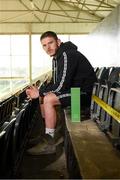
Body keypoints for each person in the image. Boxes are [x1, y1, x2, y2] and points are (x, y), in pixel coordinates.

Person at [26, 31, 97, 155]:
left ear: (58, 42)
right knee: (44, 97)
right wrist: (40, 92)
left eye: (51, 43)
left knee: (47, 98)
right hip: (74, 93)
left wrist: (40, 93)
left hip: (84, 96)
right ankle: (48, 134)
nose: (48, 47)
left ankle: (49, 144)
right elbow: (55, 82)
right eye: (44, 45)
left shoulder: (66, 55)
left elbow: (60, 86)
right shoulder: (57, 57)